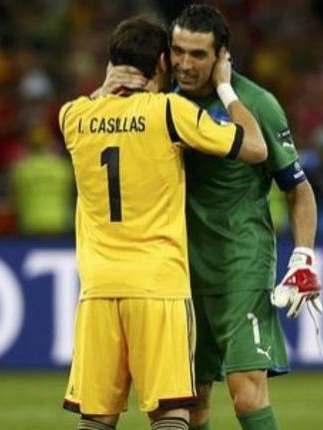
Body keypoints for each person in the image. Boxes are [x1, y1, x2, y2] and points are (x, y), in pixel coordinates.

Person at [98, 5, 321, 430]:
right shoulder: (163, 105)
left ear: (222, 56)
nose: (184, 63)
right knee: (192, 402)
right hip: (179, 270)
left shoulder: (257, 103)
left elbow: (300, 190)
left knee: (246, 393)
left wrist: (303, 255)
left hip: (242, 264)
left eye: (198, 54)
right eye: (177, 51)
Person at [60, 16, 266, 430]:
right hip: (157, 286)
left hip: (98, 288)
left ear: (110, 64)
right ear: (161, 62)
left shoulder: (73, 116)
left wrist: (106, 88)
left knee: (96, 418)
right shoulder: (170, 111)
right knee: (170, 413)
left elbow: (102, 104)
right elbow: (257, 149)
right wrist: (225, 88)